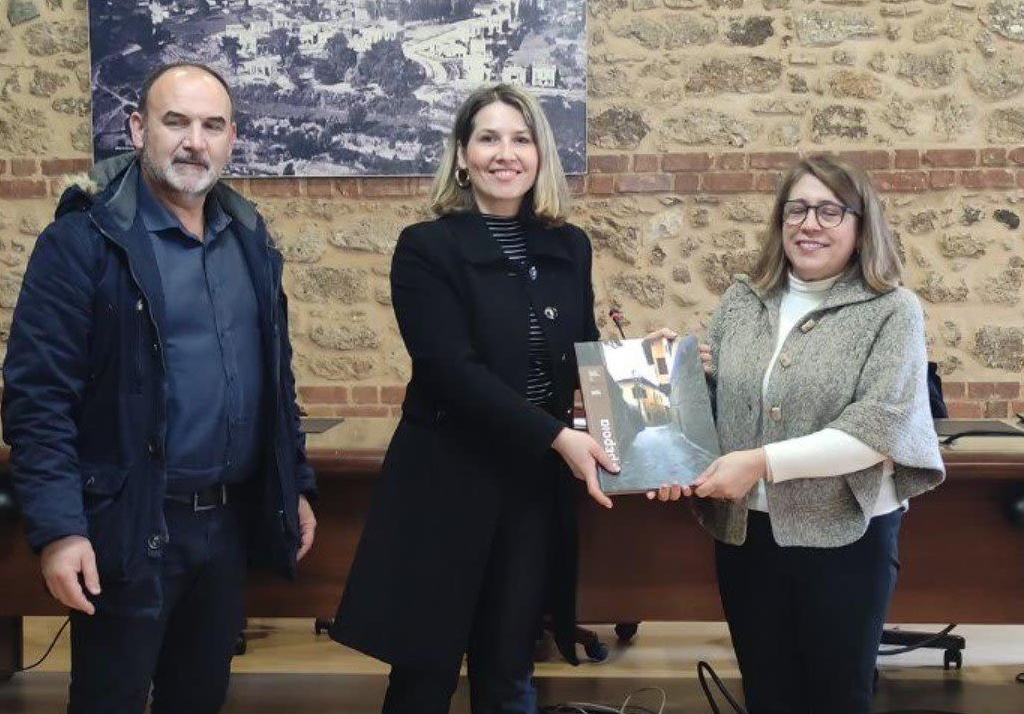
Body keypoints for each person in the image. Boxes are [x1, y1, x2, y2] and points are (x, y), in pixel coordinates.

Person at [1, 62, 317, 714]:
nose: (194, 142)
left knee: (199, 698)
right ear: (138, 129)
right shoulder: (82, 243)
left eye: (212, 126)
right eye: (176, 122)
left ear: (232, 138)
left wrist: (296, 482)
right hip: (130, 523)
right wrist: (59, 530)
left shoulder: (250, 239)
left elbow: (275, 378)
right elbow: (39, 400)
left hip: (225, 527)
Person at [331, 83, 642, 713]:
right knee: (425, 675)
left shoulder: (570, 245)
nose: (506, 154)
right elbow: (451, 371)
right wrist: (556, 436)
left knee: (509, 669)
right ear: (462, 155)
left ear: (539, 154)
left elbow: (578, 357)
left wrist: (645, 364)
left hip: (529, 490)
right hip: (446, 482)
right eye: (489, 138)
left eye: (521, 139)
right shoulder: (426, 248)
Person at [663, 154, 945, 713]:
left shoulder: (893, 310)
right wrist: (672, 373)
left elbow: (877, 428)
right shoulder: (744, 300)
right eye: (796, 210)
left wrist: (761, 462)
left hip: (845, 537)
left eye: (829, 211)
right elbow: (715, 406)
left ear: (861, 224)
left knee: (836, 698)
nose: (809, 224)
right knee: (768, 695)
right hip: (748, 534)